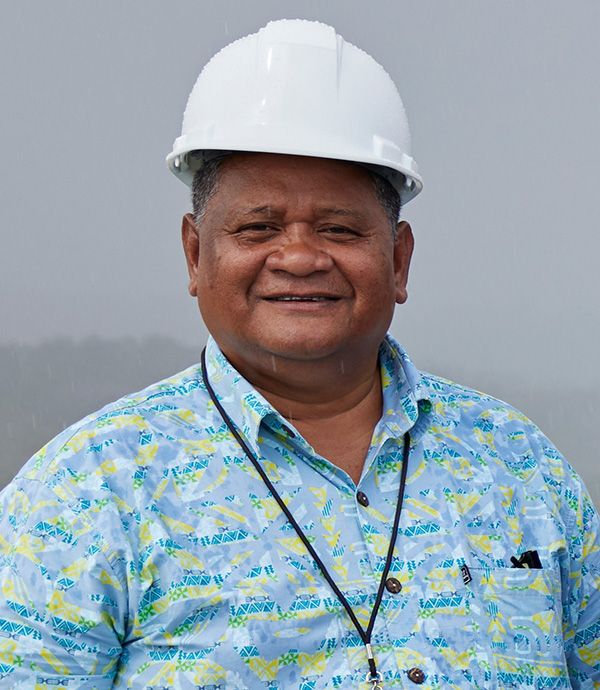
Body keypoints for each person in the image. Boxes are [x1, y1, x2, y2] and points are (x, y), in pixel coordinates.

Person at [0, 18, 598, 690]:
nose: (299, 257)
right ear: (196, 254)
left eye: (339, 229)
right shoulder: (82, 499)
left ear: (398, 261)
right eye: (259, 228)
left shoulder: (523, 471)